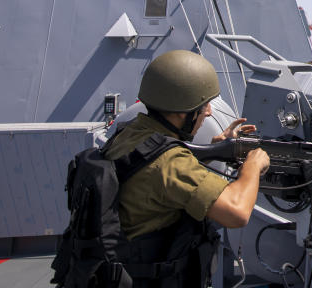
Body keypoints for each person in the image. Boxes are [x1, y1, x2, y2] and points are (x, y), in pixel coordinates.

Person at [102, 49, 270, 286]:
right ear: (183, 112)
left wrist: (214, 149)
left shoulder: (131, 132)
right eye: (203, 106)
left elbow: (154, 173)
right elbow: (237, 212)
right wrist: (252, 166)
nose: (209, 112)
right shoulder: (169, 162)